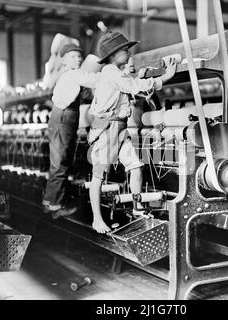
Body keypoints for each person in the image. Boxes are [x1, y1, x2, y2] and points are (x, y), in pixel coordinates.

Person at [88, 31, 177, 233]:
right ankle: (96, 219)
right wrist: (165, 77)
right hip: (107, 130)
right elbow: (133, 86)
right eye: (125, 50)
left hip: (119, 129)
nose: (129, 54)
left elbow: (129, 85)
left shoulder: (114, 73)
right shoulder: (111, 72)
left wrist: (140, 75)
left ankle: (137, 207)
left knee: (135, 166)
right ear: (113, 54)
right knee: (99, 176)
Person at [43, 42, 100, 219]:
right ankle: (56, 206)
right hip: (64, 118)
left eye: (79, 56)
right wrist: (113, 74)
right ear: (65, 60)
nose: (79, 58)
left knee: (59, 162)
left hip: (63, 117)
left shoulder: (66, 75)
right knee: (60, 162)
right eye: (74, 56)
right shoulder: (73, 74)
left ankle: (49, 201)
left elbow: (86, 94)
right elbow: (95, 80)